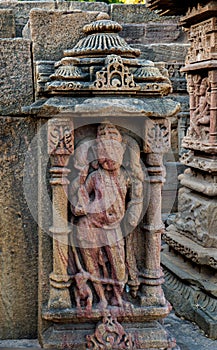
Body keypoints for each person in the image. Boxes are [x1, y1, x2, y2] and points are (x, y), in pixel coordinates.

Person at [70, 122, 143, 309]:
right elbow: (81, 195)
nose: (108, 159)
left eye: (112, 153)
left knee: (118, 265)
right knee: (91, 263)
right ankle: (101, 298)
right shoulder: (95, 177)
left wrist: (133, 213)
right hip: (90, 224)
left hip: (113, 227)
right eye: (103, 155)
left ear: (121, 153)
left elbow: (136, 196)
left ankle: (118, 297)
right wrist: (80, 205)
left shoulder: (125, 176)